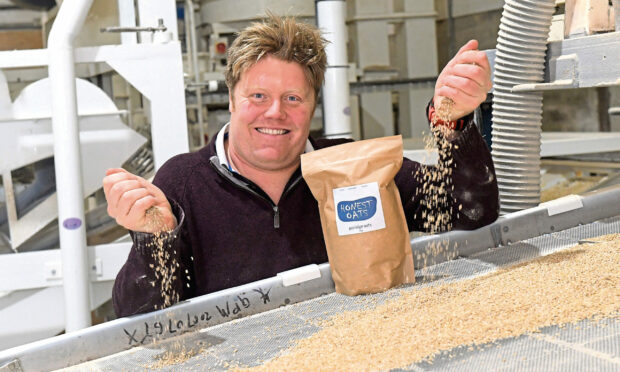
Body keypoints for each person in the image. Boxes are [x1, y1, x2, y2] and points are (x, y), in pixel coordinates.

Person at [104, 14, 498, 317]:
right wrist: (155, 237)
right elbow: (137, 316)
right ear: (231, 99)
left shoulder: (351, 166)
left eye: (293, 98)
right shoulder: (184, 183)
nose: (275, 113)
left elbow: (467, 210)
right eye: (258, 95)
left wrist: (451, 121)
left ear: (313, 105)